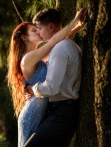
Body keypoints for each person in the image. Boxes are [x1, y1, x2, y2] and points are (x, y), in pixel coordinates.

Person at [6, 8, 86, 147]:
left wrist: (76, 28)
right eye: (33, 30)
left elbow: (60, 44)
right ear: (25, 38)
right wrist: (75, 21)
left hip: (46, 111)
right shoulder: (28, 59)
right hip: (33, 112)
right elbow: (55, 41)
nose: (37, 31)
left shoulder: (39, 56)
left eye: (37, 28)